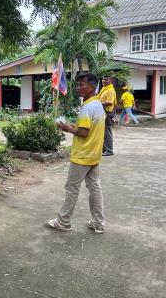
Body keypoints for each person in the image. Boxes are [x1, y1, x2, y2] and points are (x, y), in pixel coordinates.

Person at [46, 72, 106, 234]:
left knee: (72, 188)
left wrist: (67, 128)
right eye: (77, 85)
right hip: (94, 155)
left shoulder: (87, 107)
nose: (78, 88)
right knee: (94, 188)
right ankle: (98, 223)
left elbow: (84, 133)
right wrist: (73, 125)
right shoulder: (97, 104)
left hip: (82, 155)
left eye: (82, 85)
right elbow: (87, 128)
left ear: (92, 86)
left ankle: (63, 221)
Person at [97, 75, 117, 156]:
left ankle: (109, 150)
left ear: (110, 81)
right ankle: (104, 149)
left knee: (107, 132)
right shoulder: (104, 88)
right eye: (103, 79)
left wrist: (98, 103)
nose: (104, 81)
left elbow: (110, 102)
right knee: (103, 132)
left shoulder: (110, 90)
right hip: (103, 112)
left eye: (106, 79)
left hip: (107, 113)